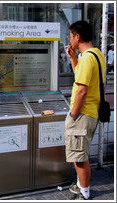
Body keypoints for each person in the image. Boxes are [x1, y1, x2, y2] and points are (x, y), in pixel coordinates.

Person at [65, 21, 106, 200]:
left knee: (80, 158)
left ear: (77, 37)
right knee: (80, 154)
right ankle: (82, 186)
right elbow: (80, 77)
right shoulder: (96, 54)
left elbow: (82, 90)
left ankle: (85, 193)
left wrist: (73, 114)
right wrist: (73, 58)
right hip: (91, 113)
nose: (69, 39)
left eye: (70, 36)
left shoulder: (88, 57)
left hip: (82, 114)